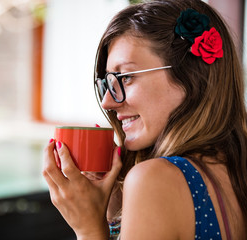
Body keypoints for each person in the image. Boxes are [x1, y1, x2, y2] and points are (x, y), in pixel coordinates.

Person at [42, 0, 247, 239]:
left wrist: (88, 229)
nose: (108, 102)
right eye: (107, 84)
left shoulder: (157, 179)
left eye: (126, 77)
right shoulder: (234, 169)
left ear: (191, 77)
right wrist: (112, 210)